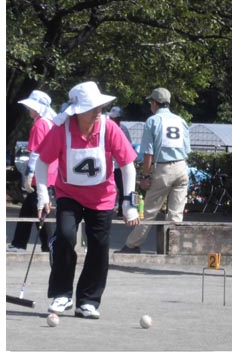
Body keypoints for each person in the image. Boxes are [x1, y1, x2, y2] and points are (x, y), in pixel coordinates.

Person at [35, 81, 139, 319]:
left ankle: (88, 301)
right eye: (93, 107)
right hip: (69, 194)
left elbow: (127, 165)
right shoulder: (61, 130)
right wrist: (43, 196)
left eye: (99, 106)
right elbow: (42, 162)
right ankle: (62, 294)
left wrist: (128, 202)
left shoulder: (110, 128)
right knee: (65, 236)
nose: (99, 110)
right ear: (78, 111)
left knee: (99, 247)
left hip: (102, 197)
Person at [117, 88, 190, 253]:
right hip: (181, 166)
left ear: (155, 103)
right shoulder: (181, 121)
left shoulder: (153, 121)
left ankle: (132, 244)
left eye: (151, 102)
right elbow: (187, 149)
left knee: (150, 211)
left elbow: (148, 153)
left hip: (163, 168)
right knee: (176, 214)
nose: (150, 105)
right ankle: (172, 247)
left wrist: (145, 175)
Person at [7, 90, 57, 252]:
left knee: (38, 210)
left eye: (30, 107)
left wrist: (28, 175)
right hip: (51, 173)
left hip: (40, 174)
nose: (28, 110)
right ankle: (43, 244)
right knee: (35, 209)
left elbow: (35, 152)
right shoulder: (50, 123)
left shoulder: (40, 124)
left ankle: (30, 244)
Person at [108, 106, 133, 217]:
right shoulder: (105, 127)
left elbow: (128, 146)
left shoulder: (123, 129)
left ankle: (122, 210)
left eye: (118, 118)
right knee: (108, 187)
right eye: (114, 118)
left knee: (122, 187)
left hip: (119, 164)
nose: (116, 120)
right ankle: (107, 209)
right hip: (107, 164)